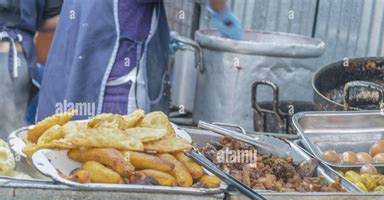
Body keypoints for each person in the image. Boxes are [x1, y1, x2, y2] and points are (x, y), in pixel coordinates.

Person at [36, 0, 241, 121]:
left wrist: (156, 40)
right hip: (111, 98)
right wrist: (221, 10)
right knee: (111, 174)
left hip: (77, 73)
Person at [0, 0, 62, 139]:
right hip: (12, 61)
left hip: (11, 58)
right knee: (8, 135)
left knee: (8, 134)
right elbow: (51, 18)